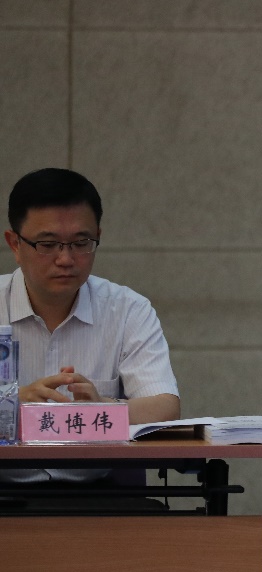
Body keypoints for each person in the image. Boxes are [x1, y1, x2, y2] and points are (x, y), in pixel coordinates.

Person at [1, 167, 180, 484]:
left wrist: (102, 408)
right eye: (48, 244)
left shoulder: (127, 309)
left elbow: (164, 408)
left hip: (100, 493)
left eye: (81, 242)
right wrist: (12, 406)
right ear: (14, 244)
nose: (65, 259)